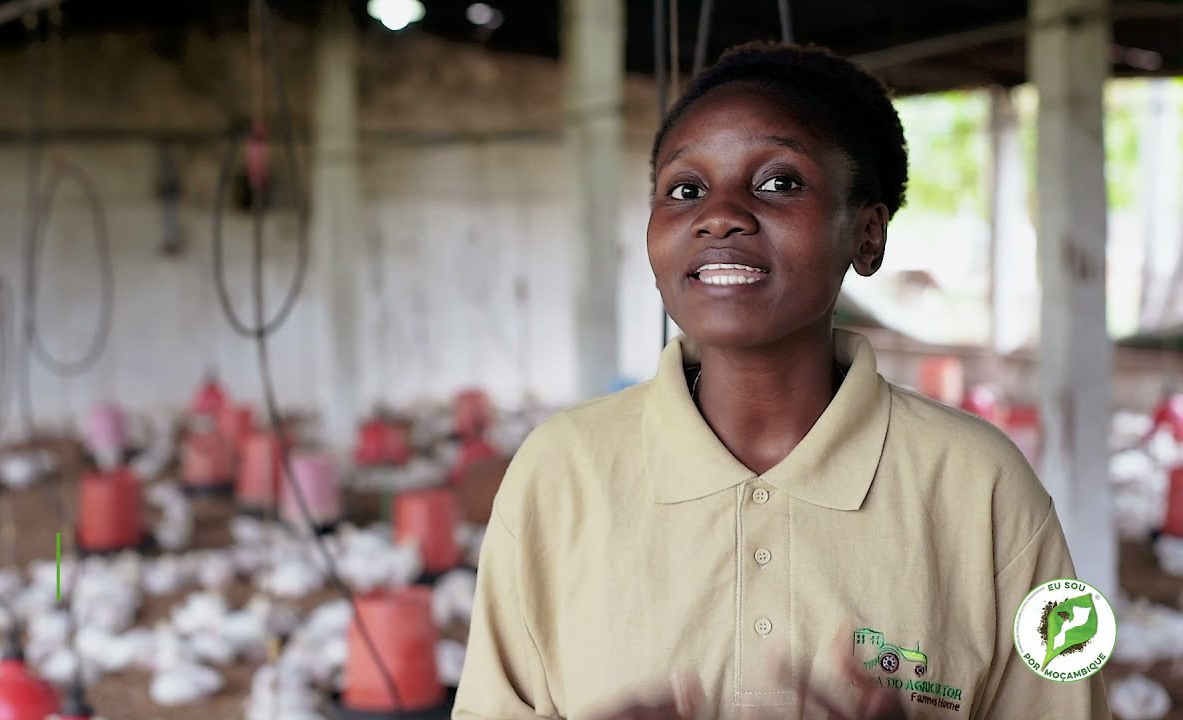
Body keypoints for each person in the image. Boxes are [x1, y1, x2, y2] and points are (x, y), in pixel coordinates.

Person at [452, 41, 1112, 720]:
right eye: (685, 190)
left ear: (867, 235)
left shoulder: (987, 487)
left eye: (778, 182)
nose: (720, 214)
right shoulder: (560, 473)